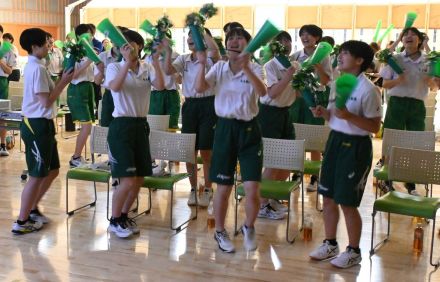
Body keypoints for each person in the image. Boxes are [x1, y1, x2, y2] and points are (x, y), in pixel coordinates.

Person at [309, 40, 381, 268]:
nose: (339, 56)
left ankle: (354, 250)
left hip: (356, 147)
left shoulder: (369, 90)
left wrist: (349, 116)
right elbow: (334, 116)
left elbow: (374, 127)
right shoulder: (337, 83)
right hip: (334, 142)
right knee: (328, 197)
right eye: (339, 53)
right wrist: (324, 113)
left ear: (360, 61)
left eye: (345, 53)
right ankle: (330, 243)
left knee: (347, 202)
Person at [195, 27, 267, 253]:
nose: (235, 41)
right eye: (231, 38)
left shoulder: (255, 67)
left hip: (249, 130)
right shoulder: (219, 68)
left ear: (248, 44)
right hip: (225, 129)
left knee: (252, 188)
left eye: (240, 38)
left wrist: (246, 68)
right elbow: (199, 88)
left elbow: (263, 92)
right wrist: (201, 62)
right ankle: (220, 231)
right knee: (223, 188)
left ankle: (249, 226)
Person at [12, 28, 73, 234]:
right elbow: (45, 101)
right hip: (36, 124)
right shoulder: (36, 69)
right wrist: (63, 82)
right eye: (46, 43)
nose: (50, 45)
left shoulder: (40, 65)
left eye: (49, 42)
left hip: (44, 124)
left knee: (53, 170)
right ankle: (21, 221)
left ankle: (32, 208)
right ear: (34, 46)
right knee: (36, 175)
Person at [105, 30, 164, 238]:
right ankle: (114, 220)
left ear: (140, 46)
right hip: (121, 127)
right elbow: (115, 87)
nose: (129, 48)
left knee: (139, 179)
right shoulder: (114, 67)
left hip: (141, 126)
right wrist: (126, 64)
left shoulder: (147, 68)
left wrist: (156, 60)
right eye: (125, 45)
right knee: (127, 180)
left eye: (132, 44)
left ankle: (123, 215)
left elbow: (161, 85)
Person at [163, 28, 220, 207]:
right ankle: (194, 188)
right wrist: (167, 51)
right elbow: (168, 70)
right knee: (189, 150)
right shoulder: (184, 59)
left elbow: (216, 51)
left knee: (206, 151)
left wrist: (201, 31)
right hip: (189, 106)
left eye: (194, 35)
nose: (190, 38)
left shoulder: (211, 59)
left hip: (209, 105)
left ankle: (208, 188)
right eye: (189, 35)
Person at [379, 27, 437, 195]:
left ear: (420, 40)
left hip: (417, 105)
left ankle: (410, 181)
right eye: (405, 34)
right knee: (391, 140)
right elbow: (383, 83)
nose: (408, 37)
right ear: (401, 40)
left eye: (413, 34)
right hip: (396, 103)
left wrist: (430, 81)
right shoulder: (395, 59)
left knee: (415, 142)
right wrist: (398, 80)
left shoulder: (428, 60)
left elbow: (434, 86)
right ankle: (387, 177)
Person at [257, 31, 298, 220]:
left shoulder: (295, 65)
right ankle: (262, 205)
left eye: (288, 40)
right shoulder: (269, 66)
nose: (285, 44)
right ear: (274, 47)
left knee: (287, 159)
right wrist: (289, 77)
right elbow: (272, 93)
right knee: (273, 161)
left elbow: (296, 94)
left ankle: (273, 197)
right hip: (269, 114)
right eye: (280, 42)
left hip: (285, 113)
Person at [290, 24, 333, 192]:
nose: (305, 37)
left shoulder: (324, 55)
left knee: (314, 138)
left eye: (309, 35)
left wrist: (319, 67)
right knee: (296, 136)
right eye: (302, 35)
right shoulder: (295, 56)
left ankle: (315, 176)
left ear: (317, 38)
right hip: (297, 101)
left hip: (316, 99)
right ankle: (297, 172)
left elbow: (325, 81)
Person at [67, 24, 96, 167]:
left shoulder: (88, 51)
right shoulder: (74, 52)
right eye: (88, 34)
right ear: (80, 37)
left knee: (89, 126)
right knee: (86, 126)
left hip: (88, 88)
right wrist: (89, 62)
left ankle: (78, 157)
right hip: (77, 89)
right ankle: (76, 157)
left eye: (91, 34)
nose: (90, 37)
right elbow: (70, 76)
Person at [147, 41, 181, 129]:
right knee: (155, 125)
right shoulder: (149, 58)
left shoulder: (175, 56)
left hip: (172, 93)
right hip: (155, 94)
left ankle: (171, 143)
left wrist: (171, 67)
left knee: (172, 125)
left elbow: (180, 80)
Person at [94, 39, 121, 127]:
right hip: (109, 95)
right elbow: (97, 81)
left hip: (125, 94)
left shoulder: (129, 58)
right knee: (107, 125)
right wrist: (101, 71)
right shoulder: (103, 56)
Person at [0, 25, 17, 156]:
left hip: (2, 82)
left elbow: (9, 71)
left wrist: (0, 61)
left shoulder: (7, 50)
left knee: (2, 114)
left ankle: (3, 145)